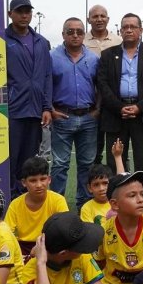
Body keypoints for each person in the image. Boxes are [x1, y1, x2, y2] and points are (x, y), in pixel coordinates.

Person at [97, 13, 143, 207]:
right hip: (116, 114)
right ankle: (116, 203)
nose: (128, 30)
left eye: (133, 26)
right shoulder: (108, 55)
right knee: (115, 161)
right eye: (125, 27)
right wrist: (120, 107)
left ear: (140, 30)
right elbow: (102, 84)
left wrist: (139, 107)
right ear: (120, 30)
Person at [4, 0, 53, 198]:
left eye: (28, 11)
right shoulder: (1, 39)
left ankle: (23, 198)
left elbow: (47, 76)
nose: (25, 15)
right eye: (20, 11)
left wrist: (47, 106)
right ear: (10, 14)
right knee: (10, 159)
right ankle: (8, 198)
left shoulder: (41, 42)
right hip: (12, 110)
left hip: (35, 110)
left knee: (28, 160)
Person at [48, 17, 100, 205]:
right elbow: (45, 86)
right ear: (63, 34)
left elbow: (100, 86)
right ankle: (56, 206)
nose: (75, 35)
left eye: (79, 31)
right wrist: (51, 110)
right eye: (71, 31)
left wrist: (97, 110)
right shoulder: (52, 57)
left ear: (84, 34)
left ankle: (84, 206)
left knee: (87, 165)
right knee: (60, 165)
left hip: (88, 118)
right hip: (62, 117)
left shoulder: (94, 58)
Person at [5, 157, 70, 257]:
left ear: (49, 179)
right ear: (24, 182)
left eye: (43, 179)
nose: (39, 185)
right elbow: (7, 234)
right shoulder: (15, 204)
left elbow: (64, 229)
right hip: (23, 250)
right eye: (33, 181)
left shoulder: (58, 200)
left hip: (50, 246)